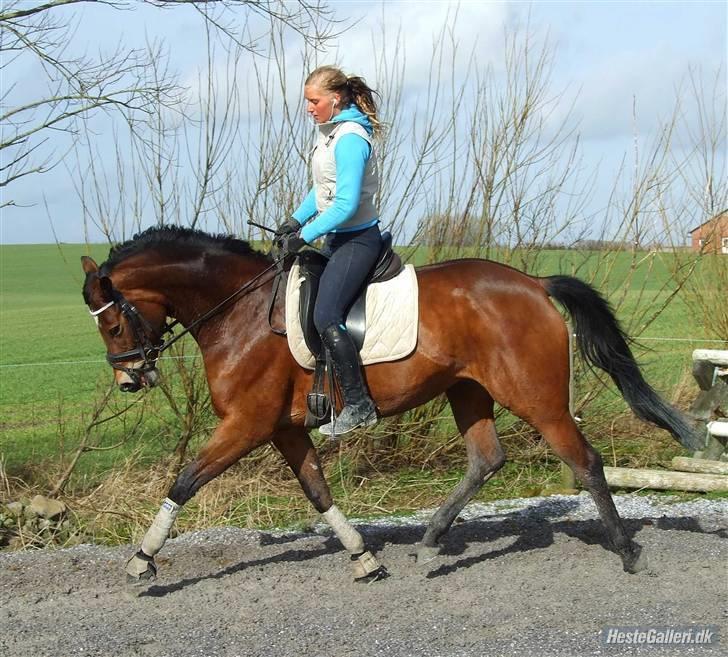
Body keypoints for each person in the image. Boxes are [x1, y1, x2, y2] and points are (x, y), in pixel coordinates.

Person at [276, 65, 382, 436]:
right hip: (335, 238)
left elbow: (345, 204)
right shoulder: (329, 135)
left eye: (314, 101)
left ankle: (358, 404)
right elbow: (322, 190)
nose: (309, 107)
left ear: (335, 99)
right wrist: (294, 220)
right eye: (307, 101)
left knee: (325, 315)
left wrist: (305, 235)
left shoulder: (350, 138)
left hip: (357, 240)